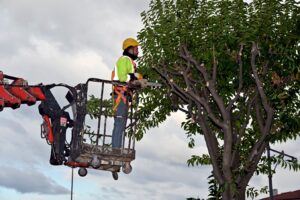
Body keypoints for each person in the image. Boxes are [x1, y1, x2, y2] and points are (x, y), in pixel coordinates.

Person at [111, 38, 140, 149]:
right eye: (136, 48)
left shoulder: (129, 61)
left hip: (124, 95)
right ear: (130, 49)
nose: (137, 51)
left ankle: (117, 148)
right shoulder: (124, 60)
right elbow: (123, 77)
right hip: (120, 95)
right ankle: (116, 150)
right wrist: (133, 77)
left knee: (121, 124)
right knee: (119, 123)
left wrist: (137, 80)